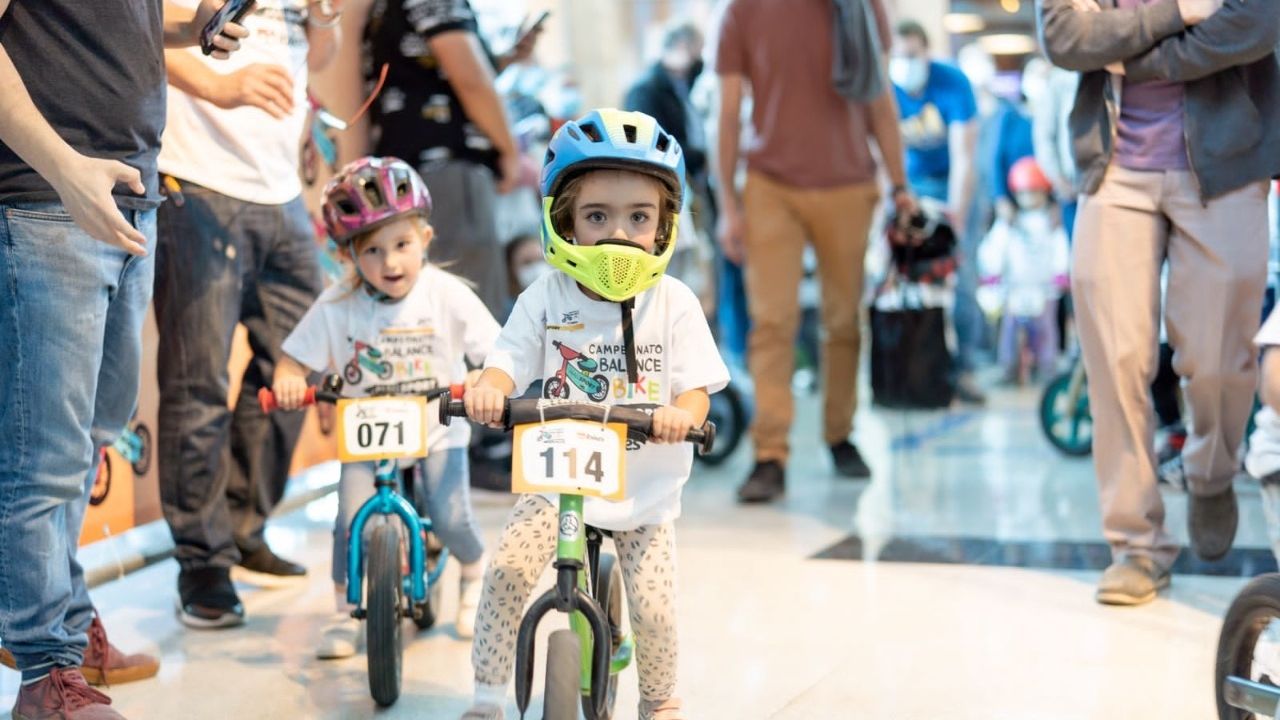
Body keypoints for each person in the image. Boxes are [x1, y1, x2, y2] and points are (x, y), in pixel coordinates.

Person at [0, 1, 243, 716]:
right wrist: (65, 170)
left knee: (94, 432)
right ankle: (47, 668)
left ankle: (57, 622)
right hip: (48, 198)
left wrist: (190, 29)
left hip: (131, 197)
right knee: (44, 455)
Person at [459, 109, 729, 720]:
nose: (618, 234)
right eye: (596, 216)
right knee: (504, 572)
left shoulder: (674, 302)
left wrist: (680, 415)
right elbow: (505, 361)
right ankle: (485, 696)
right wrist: (489, 387)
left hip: (644, 489)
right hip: (556, 486)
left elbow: (698, 390)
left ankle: (659, 700)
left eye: (638, 217)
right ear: (565, 223)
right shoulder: (545, 296)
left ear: (663, 226)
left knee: (655, 609)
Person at [1038, 0, 1280, 605]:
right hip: (1114, 170)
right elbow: (1066, 34)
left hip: (1226, 167)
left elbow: (1257, 21)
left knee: (1221, 361)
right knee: (1114, 361)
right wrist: (1180, 10)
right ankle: (1136, 545)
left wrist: (1127, 54)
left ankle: (1210, 474)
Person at [154, 0, 341, 629]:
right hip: (197, 178)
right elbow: (140, 31)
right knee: (197, 384)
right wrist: (220, 86)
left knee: (295, 371)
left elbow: (316, 61)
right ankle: (202, 565)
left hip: (282, 191)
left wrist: (324, 18)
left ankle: (242, 528)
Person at [271, 156, 497, 655]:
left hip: (439, 426)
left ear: (426, 241)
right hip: (367, 433)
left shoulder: (446, 295)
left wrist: (483, 377)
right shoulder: (336, 304)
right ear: (349, 255)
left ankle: (474, 574)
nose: (390, 263)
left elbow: (494, 354)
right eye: (372, 251)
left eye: (402, 245)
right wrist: (289, 381)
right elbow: (292, 360)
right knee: (350, 521)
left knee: (451, 512)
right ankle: (343, 610)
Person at [715, 0, 915, 503]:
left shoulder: (862, 5)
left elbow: (879, 98)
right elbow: (729, 110)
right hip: (769, 184)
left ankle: (839, 434)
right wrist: (727, 205)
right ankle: (770, 453)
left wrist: (900, 185)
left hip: (848, 182)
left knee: (843, 320)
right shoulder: (743, 9)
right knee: (773, 321)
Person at [356, 0, 539, 317]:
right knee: (472, 315)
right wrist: (510, 150)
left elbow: (431, 71)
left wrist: (502, 61)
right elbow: (470, 79)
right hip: (448, 175)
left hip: (407, 179)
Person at [890, 20, 986, 404]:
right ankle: (915, 370)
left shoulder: (953, 83)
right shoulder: (887, 91)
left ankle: (967, 368)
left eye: (911, 56)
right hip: (912, 188)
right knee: (908, 281)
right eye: (897, 56)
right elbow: (884, 155)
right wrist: (895, 202)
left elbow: (965, 157)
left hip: (954, 184)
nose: (903, 64)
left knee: (961, 280)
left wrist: (956, 217)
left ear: (926, 52)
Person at [977, 158, 1069, 383]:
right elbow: (995, 247)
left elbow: (1061, 247)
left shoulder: (1052, 223)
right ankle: (1008, 368)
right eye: (1024, 193)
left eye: (1034, 192)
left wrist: (1061, 272)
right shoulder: (1009, 223)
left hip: (1044, 288)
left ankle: (1047, 368)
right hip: (1015, 288)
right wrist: (992, 271)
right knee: (1009, 332)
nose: (1029, 199)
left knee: (1045, 332)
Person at [624, 20, 708, 194]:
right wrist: (702, 158)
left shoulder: (684, 85)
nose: (699, 60)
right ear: (681, 46)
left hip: (692, 179)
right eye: (697, 51)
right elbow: (651, 144)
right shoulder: (644, 91)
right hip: (665, 183)